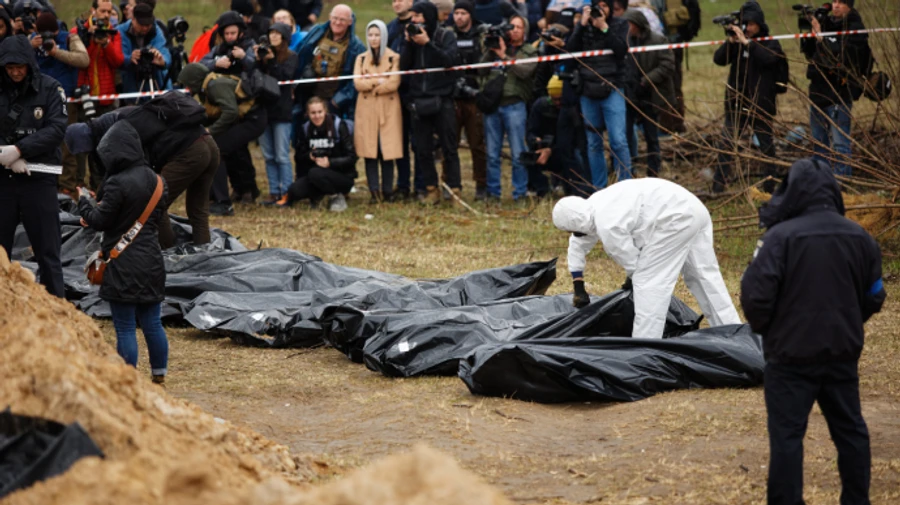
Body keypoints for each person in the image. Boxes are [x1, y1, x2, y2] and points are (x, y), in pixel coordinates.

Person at [740, 158, 885, 505]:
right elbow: (875, 294)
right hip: (841, 353)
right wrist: (848, 322)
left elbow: (755, 296)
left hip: (790, 357)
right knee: (851, 431)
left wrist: (771, 333)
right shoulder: (860, 237)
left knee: (788, 437)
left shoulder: (778, 238)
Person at [552, 179, 742, 339]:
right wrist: (578, 284)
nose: (573, 234)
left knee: (648, 283)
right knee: (703, 277)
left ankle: (644, 349)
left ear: (575, 223)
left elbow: (632, 260)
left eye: (571, 229)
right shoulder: (594, 205)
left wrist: (633, 275)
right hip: (692, 207)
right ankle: (736, 335)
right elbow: (577, 244)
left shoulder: (607, 224)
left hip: (674, 219)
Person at [64, 91, 219, 249]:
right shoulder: (115, 118)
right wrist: (100, 200)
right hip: (209, 143)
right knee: (198, 210)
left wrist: (98, 205)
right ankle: (205, 255)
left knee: (155, 200)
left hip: (190, 152)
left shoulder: (116, 130)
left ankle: (166, 252)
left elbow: (120, 168)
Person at [77, 121, 169, 386]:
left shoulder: (117, 183)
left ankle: (127, 382)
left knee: (126, 326)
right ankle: (159, 373)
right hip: (152, 261)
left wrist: (84, 202)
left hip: (122, 263)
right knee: (153, 323)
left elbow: (100, 220)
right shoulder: (159, 181)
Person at [0, 34, 66, 298]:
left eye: (20, 67)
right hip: (3, 180)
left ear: (30, 63)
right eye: (10, 67)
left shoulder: (50, 88)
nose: (15, 72)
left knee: (48, 252)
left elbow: (57, 128)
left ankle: (57, 310)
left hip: (39, 178)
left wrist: (19, 150)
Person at [712, 2, 782, 193]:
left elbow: (769, 59)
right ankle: (718, 185)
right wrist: (731, 43)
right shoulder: (738, 43)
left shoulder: (770, 42)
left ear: (759, 24)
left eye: (751, 24)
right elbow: (718, 60)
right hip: (736, 103)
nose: (748, 28)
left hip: (760, 104)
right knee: (726, 143)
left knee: (766, 146)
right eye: (745, 24)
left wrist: (747, 44)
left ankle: (770, 185)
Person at [178, 62, 267, 213]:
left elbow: (231, 112)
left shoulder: (214, 86)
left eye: (187, 84)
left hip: (253, 119)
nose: (187, 88)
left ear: (194, 81)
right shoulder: (210, 85)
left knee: (216, 150)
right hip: (251, 118)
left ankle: (223, 202)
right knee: (232, 149)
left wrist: (210, 130)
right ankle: (244, 190)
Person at [400, 1, 461, 205]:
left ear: (428, 16)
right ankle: (431, 189)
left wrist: (428, 43)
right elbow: (404, 67)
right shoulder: (411, 38)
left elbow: (449, 61)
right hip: (419, 99)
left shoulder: (446, 36)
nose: (414, 20)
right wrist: (409, 43)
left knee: (449, 147)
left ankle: (454, 189)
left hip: (442, 98)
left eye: (418, 16)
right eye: (413, 16)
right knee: (422, 149)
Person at [566, 0, 631, 188]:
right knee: (593, 144)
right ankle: (599, 189)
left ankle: (625, 188)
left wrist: (604, 27)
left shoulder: (619, 24)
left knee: (618, 141)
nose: (600, 10)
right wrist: (581, 25)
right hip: (588, 90)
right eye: (597, 5)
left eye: (604, 5)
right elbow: (570, 51)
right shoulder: (583, 28)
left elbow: (621, 50)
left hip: (613, 87)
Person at [802, 0, 869, 177]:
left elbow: (843, 58)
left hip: (840, 93)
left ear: (850, 5)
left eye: (841, 2)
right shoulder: (826, 22)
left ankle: (842, 185)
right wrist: (809, 34)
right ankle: (821, 185)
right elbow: (809, 53)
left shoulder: (856, 28)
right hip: (818, 91)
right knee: (819, 144)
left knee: (840, 144)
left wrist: (822, 37)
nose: (836, 6)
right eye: (834, 1)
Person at [31, 12, 90, 196]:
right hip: (38, 101)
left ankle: (67, 188)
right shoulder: (31, 41)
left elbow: (83, 59)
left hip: (65, 100)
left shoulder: (69, 38)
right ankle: (44, 184)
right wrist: (29, 46)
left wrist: (57, 52)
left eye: (51, 34)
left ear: (57, 30)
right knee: (41, 144)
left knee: (67, 145)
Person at [479, 13, 536, 201]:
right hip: (493, 106)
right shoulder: (495, 48)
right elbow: (480, 70)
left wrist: (504, 56)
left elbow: (525, 72)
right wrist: (491, 49)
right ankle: (493, 193)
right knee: (492, 154)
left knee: (518, 152)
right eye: (512, 27)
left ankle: (520, 193)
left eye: (519, 27)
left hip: (515, 106)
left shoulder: (529, 51)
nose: (515, 31)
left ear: (525, 31)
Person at [69, 0, 124, 191]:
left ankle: (100, 186)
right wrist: (90, 41)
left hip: (106, 98)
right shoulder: (79, 32)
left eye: (109, 11)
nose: (106, 15)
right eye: (103, 11)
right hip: (84, 97)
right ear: (93, 10)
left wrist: (106, 43)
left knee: (103, 146)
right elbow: (81, 62)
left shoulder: (114, 33)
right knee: (81, 145)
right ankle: (77, 186)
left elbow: (118, 60)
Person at [277, 97, 358, 211]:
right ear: (307, 114)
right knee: (294, 190)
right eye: (313, 113)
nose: (317, 116)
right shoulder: (305, 129)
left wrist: (330, 162)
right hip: (314, 175)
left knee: (315, 173)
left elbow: (352, 157)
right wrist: (309, 156)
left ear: (325, 111)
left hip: (341, 176)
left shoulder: (338, 125)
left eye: (320, 112)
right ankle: (317, 195)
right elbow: (298, 157)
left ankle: (336, 197)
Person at [621, 9, 674, 178]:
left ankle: (653, 171)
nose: (627, 27)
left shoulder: (658, 40)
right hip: (630, 96)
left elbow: (667, 65)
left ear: (637, 25)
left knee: (652, 137)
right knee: (626, 135)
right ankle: (629, 169)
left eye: (629, 24)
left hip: (650, 96)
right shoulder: (625, 42)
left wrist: (646, 80)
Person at [354, 20, 402, 204]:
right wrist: (378, 81)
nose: (374, 39)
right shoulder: (361, 58)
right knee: (370, 151)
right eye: (371, 35)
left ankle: (388, 190)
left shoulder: (393, 57)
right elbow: (358, 83)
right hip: (367, 109)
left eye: (377, 35)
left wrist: (374, 83)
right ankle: (374, 191)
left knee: (386, 151)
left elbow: (393, 83)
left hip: (388, 109)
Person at [293, 4, 365, 120]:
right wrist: (294, 86)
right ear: (330, 17)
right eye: (335, 18)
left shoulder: (356, 47)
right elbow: (299, 55)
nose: (337, 22)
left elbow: (357, 78)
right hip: (307, 96)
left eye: (342, 19)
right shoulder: (316, 32)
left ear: (350, 22)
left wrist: (338, 100)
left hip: (334, 103)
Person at [256, 22, 298, 205]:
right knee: (269, 155)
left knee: (282, 155)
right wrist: (258, 59)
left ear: (284, 37)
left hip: (282, 112)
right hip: (265, 111)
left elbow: (284, 77)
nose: (273, 36)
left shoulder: (291, 56)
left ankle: (287, 192)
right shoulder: (263, 55)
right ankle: (274, 191)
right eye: (271, 33)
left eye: (277, 33)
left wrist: (272, 61)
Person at [451, 0, 488, 201]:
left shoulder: (480, 35)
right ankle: (450, 184)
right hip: (454, 97)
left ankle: (481, 184)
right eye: (456, 13)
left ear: (470, 15)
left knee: (477, 143)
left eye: (463, 13)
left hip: (475, 95)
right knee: (450, 143)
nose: (459, 17)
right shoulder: (448, 35)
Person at [386, 0, 415, 202]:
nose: (397, 3)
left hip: (416, 92)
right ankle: (403, 185)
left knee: (420, 144)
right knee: (400, 143)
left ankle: (422, 186)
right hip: (395, 93)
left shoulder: (419, 24)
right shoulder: (389, 28)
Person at [117, 2, 171, 100]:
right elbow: (116, 58)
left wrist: (162, 61)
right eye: (141, 24)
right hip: (132, 88)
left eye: (148, 24)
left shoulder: (156, 30)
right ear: (133, 19)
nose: (145, 28)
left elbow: (165, 52)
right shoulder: (120, 32)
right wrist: (130, 59)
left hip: (157, 86)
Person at [199, 11, 257, 77]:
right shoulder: (218, 48)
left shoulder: (249, 46)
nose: (229, 37)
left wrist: (243, 57)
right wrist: (215, 63)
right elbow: (201, 65)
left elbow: (257, 67)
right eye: (226, 34)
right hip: (217, 82)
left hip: (240, 84)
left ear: (241, 33)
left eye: (233, 33)